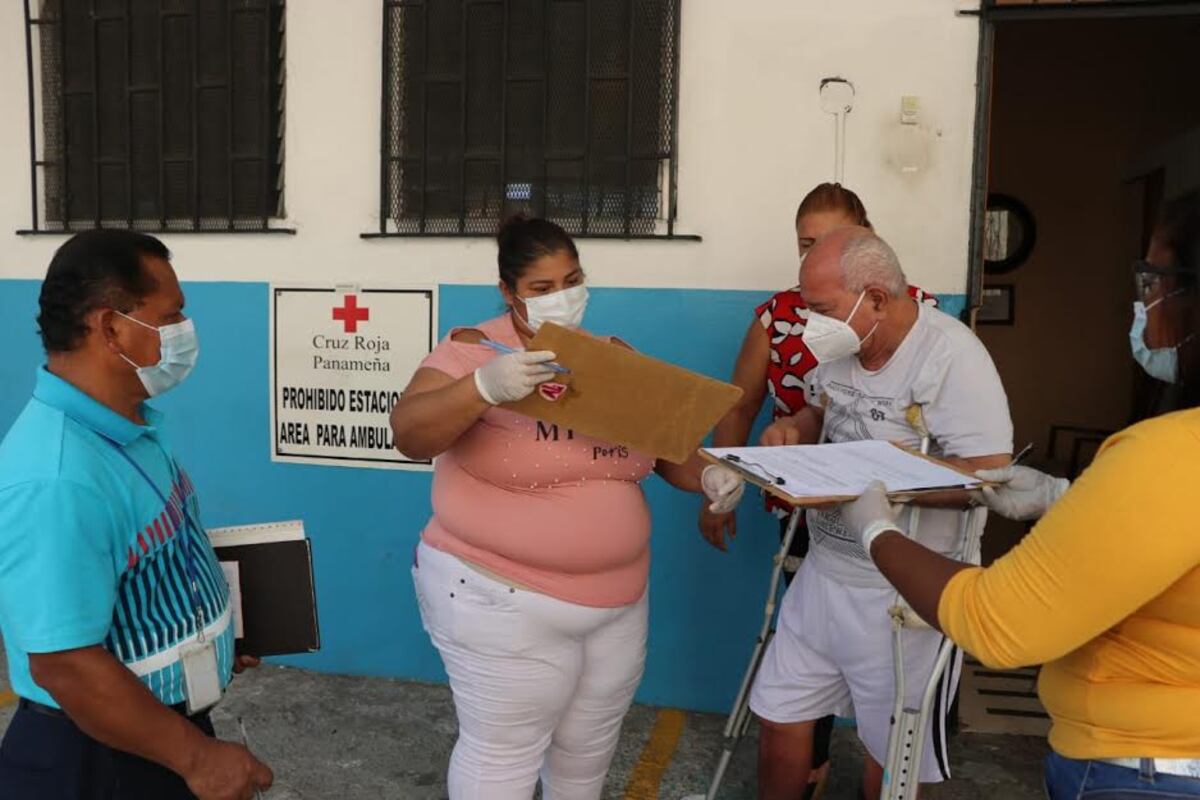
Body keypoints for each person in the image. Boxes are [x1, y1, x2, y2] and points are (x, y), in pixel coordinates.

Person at [840, 190, 1200, 798]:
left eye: (1150, 279)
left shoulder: (1168, 454)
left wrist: (875, 529)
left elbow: (997, 623)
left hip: (1144, 771)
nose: (1142, 303)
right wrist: (1064, 500)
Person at [391, 215, 702, 800]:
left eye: (573, 279)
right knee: (502, 759)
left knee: (586, 755)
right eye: (541, 287)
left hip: (618, 604)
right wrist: (484, 388)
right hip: (499, 597)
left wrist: (713, 478)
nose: (562, 296)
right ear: (509, 292)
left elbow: (670, 454)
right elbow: (410, 432)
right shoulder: (470, 352)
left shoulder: (609, 356)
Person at [702, 227, 1013, 799]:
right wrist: (792, 431)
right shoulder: (843, 351)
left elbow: (991, 476)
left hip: (906, 590)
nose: (807, 324)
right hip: (826, 572)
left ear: (875, 297)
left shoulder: (951, 356)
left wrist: (883, 488)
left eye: (820, 309)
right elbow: (821, 413)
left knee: (891, 749)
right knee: (779, 713)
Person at [0, 231, 272, 799]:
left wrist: (212, 631)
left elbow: (147, 559)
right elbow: (65, 664)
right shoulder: (56, 477)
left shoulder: (131, 427)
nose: (183, 332)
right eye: (170, 316)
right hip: (97, 758)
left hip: (149, 728)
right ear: (111, 327)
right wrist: (201, 760)